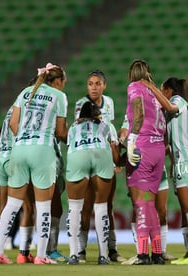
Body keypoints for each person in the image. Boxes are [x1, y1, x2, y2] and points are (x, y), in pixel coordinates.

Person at [0, 63, 68, 265]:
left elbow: (13, 124)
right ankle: (41, 256)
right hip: (42, 151)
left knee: (12, 204)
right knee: (43, 206)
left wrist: (25, 140)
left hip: (19, 149)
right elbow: (60, 132)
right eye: (63, 82)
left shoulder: (25, 92)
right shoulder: (59, 96)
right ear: (58, 81)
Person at [141, 77, 188, 265]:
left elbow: (169, 107)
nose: (162, 92)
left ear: (170, 90)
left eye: (163, 89)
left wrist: (150, 87)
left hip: (187, 162)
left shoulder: (177, 101)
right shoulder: (181, 108)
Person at [74, 70, 125, 262]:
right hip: (87, 160)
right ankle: (80, 250)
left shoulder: (109, 102)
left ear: (104, 85)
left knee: (107, 206)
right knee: (86, 207)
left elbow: (110, 132)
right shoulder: (81, 104)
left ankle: (112, 249)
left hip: (105, 161)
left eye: (97, 83)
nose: (94, 87)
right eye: (90, 84)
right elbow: (80, 129)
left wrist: (115, 160)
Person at [65, 102, 120, 265]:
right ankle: (103, 256)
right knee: (101, 207)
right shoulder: (105, 126)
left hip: (78, 153)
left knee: (74, 207)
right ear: (97, 114)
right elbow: (115, 154)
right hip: (101, 154)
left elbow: (69, 144)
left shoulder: (73, 127)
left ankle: (74, 254)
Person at [118, 115, 175, 265]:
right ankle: (140, 252)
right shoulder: (133, 113)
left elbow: (167, 139)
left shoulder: (158, 114)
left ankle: (160, 251)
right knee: (139, 209)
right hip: (138, 166)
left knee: (161, 210)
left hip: (157, 168)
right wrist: (129, 146)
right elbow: (123, 133)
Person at [125, 59, 166, 265]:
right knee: (150, 205)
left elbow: (138, 114)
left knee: (141, 204)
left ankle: (143, 254)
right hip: (158, 149)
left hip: (143, 148)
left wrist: (131, 141)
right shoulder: (156, 94)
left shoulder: (135, 87)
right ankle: (157, 253)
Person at [0, 107, 35, 264]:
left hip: (1, 159)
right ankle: (23, 251)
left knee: (2, 206)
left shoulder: (8, 115)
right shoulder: (26, 114)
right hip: (15, 162)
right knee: (26, 207)